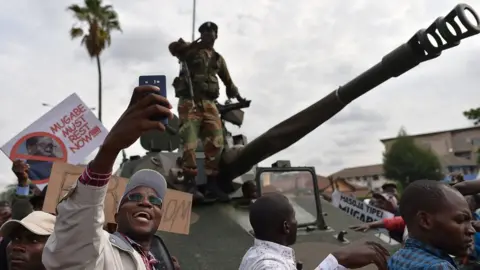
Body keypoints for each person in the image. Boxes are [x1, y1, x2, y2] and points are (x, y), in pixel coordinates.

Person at [42, 85, 180, 270]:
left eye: (155, 201)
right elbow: (79, 231)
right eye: (135, 197)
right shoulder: (99, 250)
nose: (146, 203)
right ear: (116, 217)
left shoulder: (157, 262)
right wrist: (110, 149)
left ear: (160, 218)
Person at [168, 21, 244, 202]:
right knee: (190, 141)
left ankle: (211, 184)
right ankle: (190, 183)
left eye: (212, 31)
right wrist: (192, 45)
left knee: (217, 142)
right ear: (201, 34)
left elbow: (228, 82)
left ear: (217, 35)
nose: (209, 34)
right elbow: (173, 48)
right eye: (205, 31)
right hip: (190, 102)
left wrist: (240, 98)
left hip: (210, 104)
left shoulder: (218, 59)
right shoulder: (190, 52)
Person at [239, 192, 390, 269]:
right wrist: (337, 259)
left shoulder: (254, 254)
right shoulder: (270, 265)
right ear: (286, 227)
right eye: (294, 218)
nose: (296, 223)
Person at [388, 180, 475, 269]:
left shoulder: (396, 258)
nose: (472, 230)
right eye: (460, 220)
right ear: (425, 220)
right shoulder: (439, 267)